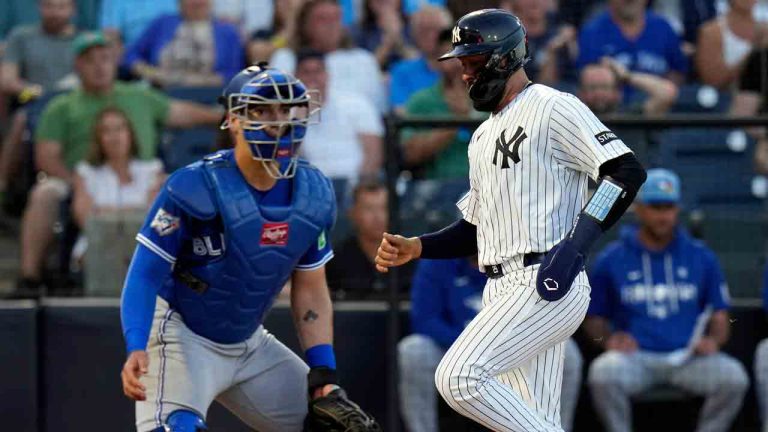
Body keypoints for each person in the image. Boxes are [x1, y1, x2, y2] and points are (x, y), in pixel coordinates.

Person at [374, 9, 646, 431]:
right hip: (499, 283)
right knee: (532, 418)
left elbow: (625, 172)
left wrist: (576, 246)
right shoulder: (481, 135)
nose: (464, 74)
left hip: (546, 277)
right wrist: (419, 246)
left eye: (472, 62)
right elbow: (475, 228)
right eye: (461, 64)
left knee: (458, 377)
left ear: (503, 58)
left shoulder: (553, 105)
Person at [119, 65, 380, 431]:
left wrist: (323, 374)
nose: (277, 121)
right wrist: (135, 345)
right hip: (182, 335)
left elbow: (310, 285)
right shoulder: (194, 187)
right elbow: (145, 274)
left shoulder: (314, 193)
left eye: (285, 110)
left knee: (336, 426)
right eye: (261, 110)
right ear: (233, 119)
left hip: (248, 341)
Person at [9, 31, 221, 299]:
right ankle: (30, 277)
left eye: (105, 59)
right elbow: (46, 156)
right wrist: (82, 184)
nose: (99, 66)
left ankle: (203, 277)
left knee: (184, 189)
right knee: (45, 192)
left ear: (115, 62)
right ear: (77, 65)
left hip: (143, 178)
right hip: (80, 178)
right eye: (90, 60)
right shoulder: (61, 106)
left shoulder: (139, 96)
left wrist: (224, 116)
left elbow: (182, 113)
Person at [585, 168, 748, 432]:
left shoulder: (701, 256)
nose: (663, 216)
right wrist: (606, 339)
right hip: (635, 358)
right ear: (639, 209)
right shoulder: (612, 257)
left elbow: (720, 314)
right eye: (656, 207)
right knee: (603, 373)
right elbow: (594, 317)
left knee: (733, 377)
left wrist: (714, 341)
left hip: (688, 358)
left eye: (669, 207)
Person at [398, 256, 584, 432]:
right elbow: (425, 320)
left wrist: (507, 346)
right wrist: (473, 345)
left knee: (567, 351)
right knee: (414, 350)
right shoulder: (438, 262)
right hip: (451, 344)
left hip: (509, 346)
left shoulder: (523, 259)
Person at [70, 107, 165, 265]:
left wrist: (104, 211)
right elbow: (85, 218)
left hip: (142, 244)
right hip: (98, 243)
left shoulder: (152, 169)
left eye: (120, 129)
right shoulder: (86, 172)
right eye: (106, 131)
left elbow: (155, 219)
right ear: (98, 139)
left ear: (130, 134)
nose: (115, 137)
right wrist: (136, 211)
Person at [270, 0, 385, 111]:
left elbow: (376, 107)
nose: (331, 25)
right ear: (305, 24)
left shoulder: (363, 59)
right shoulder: (286, 58)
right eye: (322, 19)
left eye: (336, 18)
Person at [401, 28, 482, 179]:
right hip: (438, 185)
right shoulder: (422, 101)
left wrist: (470, 115)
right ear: (437, 62)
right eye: (450, 57)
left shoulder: (494, 96)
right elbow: (410, 154)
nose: (458, 64)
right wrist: (457, 121)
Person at [294, 49, 383, 184]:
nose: (313, 78)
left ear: (327, 74)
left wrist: (360, 189)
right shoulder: (287, 114)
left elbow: (373, 153)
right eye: (306, 73)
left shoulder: (356, 103)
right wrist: (299, 121)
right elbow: (288, 162)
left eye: (318, 71)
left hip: (353, 183)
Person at [122, 0, 244, 87]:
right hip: (161, 90)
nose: (197, 2)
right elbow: (131, 55)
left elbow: (235, 73)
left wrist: (201, 82)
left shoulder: (227, 31)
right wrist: (150, 73)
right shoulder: (163, 23)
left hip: (209, 94)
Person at [326, 180, 414, 300]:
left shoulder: (410, 255)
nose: (377, 217)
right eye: (369, 209)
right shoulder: (336, 260)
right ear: (353, 213)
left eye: (383, 208)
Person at [577, 0, 689, 85]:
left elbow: (678, 74)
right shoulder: (592, 31)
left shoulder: (663, 28)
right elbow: (587, 81)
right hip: (610, 110)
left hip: (657, 109)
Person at [0, 0, 78, 103]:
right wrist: (36, 93)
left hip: (73, 103)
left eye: (61, 7)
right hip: (32, 102)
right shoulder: (21, 37)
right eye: (48, 6)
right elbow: (7, 81)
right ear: (39, 7)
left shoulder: (84, 42)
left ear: (73, 10)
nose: (55, 13)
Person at [388, 5, 453, 111]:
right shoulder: (402, 71)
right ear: (414, 35)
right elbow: (401, 112)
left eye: (435, 29)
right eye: (423, 31)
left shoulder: (462, 67)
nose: (430, 36)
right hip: (420, 127)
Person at [695, 0, 766, 89]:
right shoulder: (712, 32)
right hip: (729, 97)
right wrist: (754, 51)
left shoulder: (765, 30)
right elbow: (714, 80)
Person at [579, 57, 679, 116]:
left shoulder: (632, 117)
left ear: (618, 93)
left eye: (605, 87)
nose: (599, 94)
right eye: (592, 88)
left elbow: (667, 93)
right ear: (581, 94)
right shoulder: (573, 124)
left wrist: (627, 76)